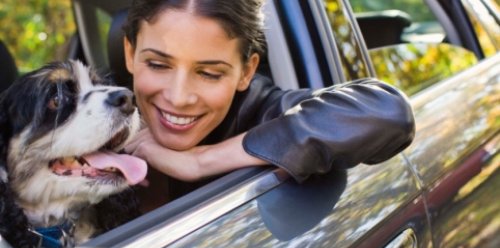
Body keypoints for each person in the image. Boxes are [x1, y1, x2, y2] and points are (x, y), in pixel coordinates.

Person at [122, 0, 415, 197]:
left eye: (210, 73)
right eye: (158, 65)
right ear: (130, 54)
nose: (179, 97)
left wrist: (202, 160)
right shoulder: (97, 122)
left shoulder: (265, 110)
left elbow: (387, 111)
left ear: (246, 72)